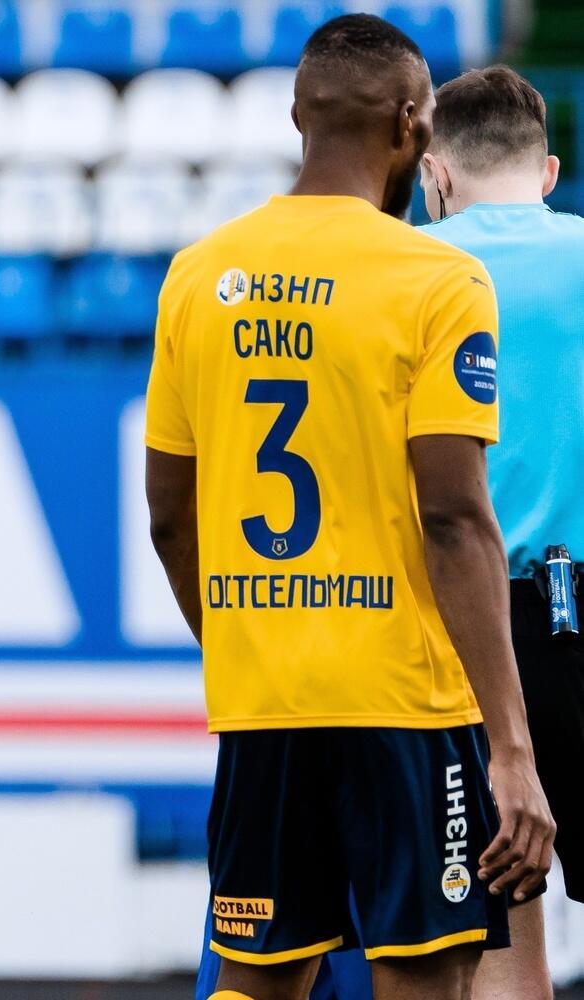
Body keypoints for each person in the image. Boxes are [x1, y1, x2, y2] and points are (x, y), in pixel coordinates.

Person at [146, 14, 555, 1000]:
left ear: (298, 117)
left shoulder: (197, 275)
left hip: (266, 701)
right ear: (415, 125)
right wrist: (510, 746)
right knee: (424, 979)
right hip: (407, 707)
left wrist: (245, 645)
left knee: (257, 980)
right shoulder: (437, 276)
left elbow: (169, 515)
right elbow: (454, 517)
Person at [417, 63, 584, 1000]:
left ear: (435, 172)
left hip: (462, 626)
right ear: (549, 170)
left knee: (502, 939)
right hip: (579, 595)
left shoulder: (410, 268)